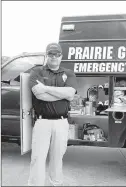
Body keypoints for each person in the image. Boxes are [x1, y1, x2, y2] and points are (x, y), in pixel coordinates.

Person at [28, 43, 77, 186]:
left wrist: (46, 88)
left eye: (56, 54)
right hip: (42, 122)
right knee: (38, 158)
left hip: (61, 122)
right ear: (46, 56)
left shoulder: (68, 73)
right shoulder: (36, 72)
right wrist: (62, 94)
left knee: (57, 158)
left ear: (61, 56)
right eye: (50, 54)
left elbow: (70, 94)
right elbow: (39, 94)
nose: (54, 57)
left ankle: (55, 184)